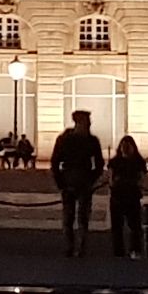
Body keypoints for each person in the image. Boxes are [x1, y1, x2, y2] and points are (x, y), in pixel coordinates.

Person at [52, 109, 107, 255]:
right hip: (74, 180)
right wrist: (62, 183)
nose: (89, 124)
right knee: (71, 217)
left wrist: (92, 178)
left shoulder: (86, 140)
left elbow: (99, 163)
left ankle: (77, 246)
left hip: (80, 180)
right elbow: (55, 162)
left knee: (79, 217)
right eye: (87, 121)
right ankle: (72, 247)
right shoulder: (69, 140)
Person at [109, 133, 148, 256]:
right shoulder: (115, 162)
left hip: (131, 197)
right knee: (118, 227)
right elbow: (111, 179)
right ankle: (120, 251)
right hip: (118, 197)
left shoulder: (137, 162)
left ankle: (134, 250)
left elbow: (141, 178)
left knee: (134, 226)